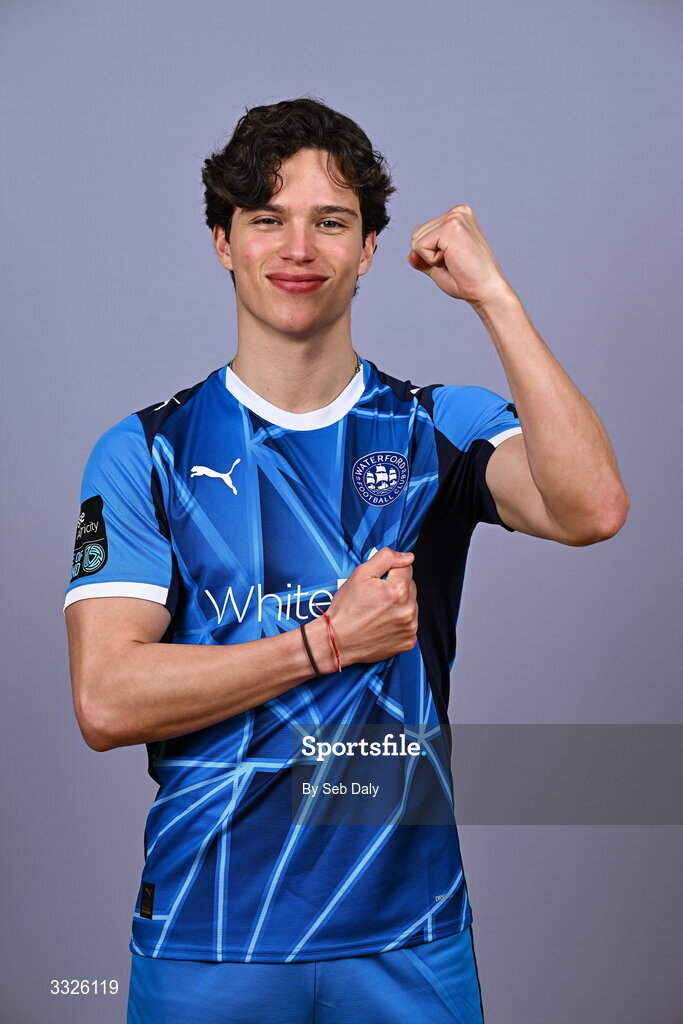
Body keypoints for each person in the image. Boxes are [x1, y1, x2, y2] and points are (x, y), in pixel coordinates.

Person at [63, 96, 630, 1024]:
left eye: (331, 222)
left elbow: (592, 508)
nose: (298, 249)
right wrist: (325, 643)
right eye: (266, 220)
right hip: (211, 933)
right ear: (221, 241)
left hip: (408, 935)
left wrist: (495, 296)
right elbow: (106, 699)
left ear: (368, 249)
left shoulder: (437, 428)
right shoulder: (145, 451)